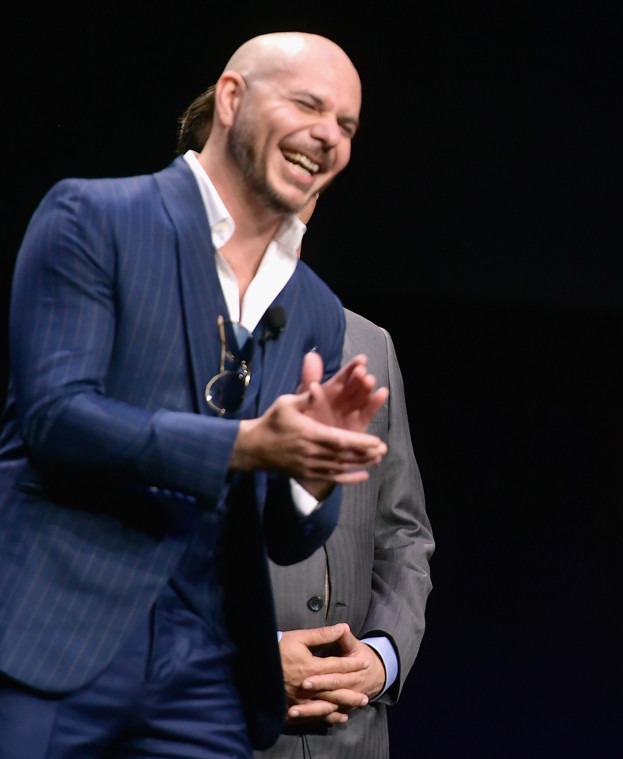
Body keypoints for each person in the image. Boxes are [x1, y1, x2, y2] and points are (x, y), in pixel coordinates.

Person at [0, 32, 393, 758]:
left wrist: (311, 473)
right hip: (54, 631)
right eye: (308, 104)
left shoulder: (314, 308)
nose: (327, 136)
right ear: (232, 99)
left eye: (346, 125)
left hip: (205, 664)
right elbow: (55, 418)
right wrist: (246, 445)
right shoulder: (96, 218)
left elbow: (287, 534)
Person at [175, 85, 434, 759]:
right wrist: (246, 658)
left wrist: (380, 658)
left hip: (350, 735)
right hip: (203, 726)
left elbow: (403, 535)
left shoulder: (365, 343)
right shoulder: (152, 327)